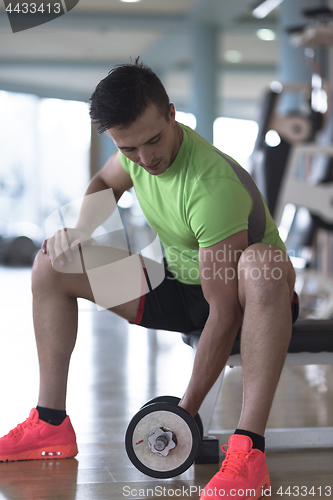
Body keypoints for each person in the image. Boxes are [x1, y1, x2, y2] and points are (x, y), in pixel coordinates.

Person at [0, 60, 298, 500]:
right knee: (52, 263)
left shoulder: (210, 186)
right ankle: (50, 425)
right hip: (179, 284)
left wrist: (185, 412)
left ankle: (248, 450)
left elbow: (224, 313)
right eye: (130, 149)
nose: (145, 159)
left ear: (172, 113)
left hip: (247, 301)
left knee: (260, 266)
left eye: (153, 141)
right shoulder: (133, 153)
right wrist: (82, 232)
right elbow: (106, 180)